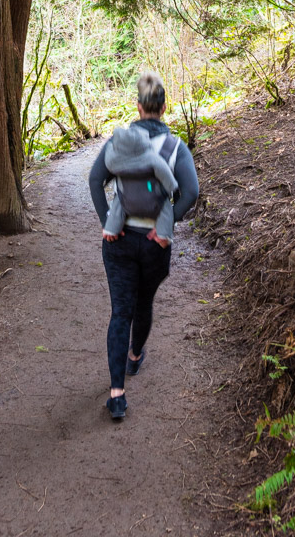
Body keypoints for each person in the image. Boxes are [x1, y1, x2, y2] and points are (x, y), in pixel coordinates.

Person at [89, 72, 199, 421]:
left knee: (120, 312)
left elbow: (95, 180)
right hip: (155, 243)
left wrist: (109, 223)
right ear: (164, 108)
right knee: (143, 303)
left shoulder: (119, 141)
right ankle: (135, 355)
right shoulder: (174, 148)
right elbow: (191, 192)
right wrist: (169, 224)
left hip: (119, 242)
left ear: (137, 107)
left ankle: (117, 395)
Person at [102, 122, 177, 242]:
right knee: (165, 205)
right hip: (152, 201)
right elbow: (170, 182)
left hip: (126, 201)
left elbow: (106, 161)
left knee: (118, 201)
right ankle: (163, 235)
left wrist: (111, 147)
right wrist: (168, 190)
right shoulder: (153, 158)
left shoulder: (114, 161)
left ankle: (111, 229)